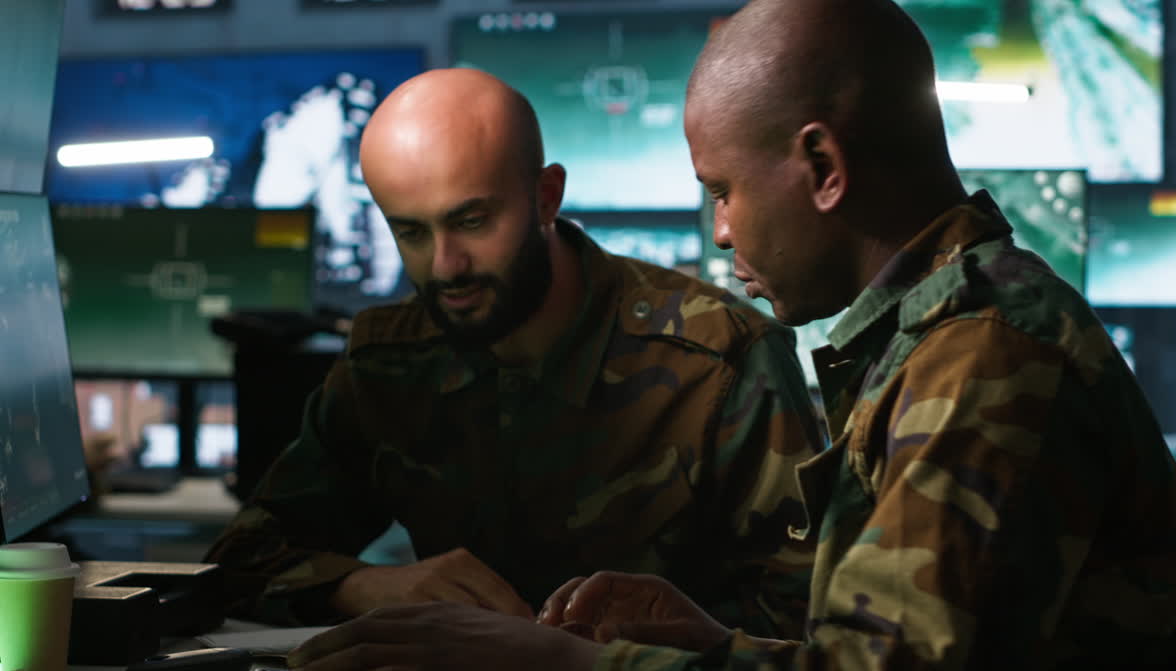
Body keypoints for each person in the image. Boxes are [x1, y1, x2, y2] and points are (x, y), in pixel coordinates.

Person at [283, 0, 1176, 671]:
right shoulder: (939, 337)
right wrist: (710, 643)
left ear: (823, 168)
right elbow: (883, 668)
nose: (720, 231)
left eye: (722, 192)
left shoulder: (986, 362)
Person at [203, 67, 823, 639]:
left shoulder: (719, 358)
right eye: (411, 232)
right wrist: (366, 586)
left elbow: (808, 627)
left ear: (546, 197)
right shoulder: (389, 362)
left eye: (472, 222)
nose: (446, 268)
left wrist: (616, 659)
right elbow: (238, 561)